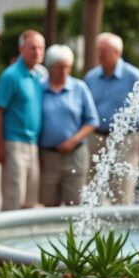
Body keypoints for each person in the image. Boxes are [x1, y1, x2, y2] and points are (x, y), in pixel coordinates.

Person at [84, 32, 139, 204]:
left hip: (126, 140)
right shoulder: (91, 77)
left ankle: (122, 229)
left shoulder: (134, 77)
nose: (99, 54)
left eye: (103, 50)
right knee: (92, 188)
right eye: (97, 50)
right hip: (96, 138)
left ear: (117, 53)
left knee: (122, 189)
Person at [39, 45, 98, 207]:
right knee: (50, 203)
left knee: (75, 202)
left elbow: (92, 120)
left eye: (67, 67)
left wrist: (73, 140)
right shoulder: (40, 89)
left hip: (75, 154)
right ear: (50, 68)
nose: (64, 71)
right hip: (48, 156)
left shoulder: (79, 88)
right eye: (59, 67)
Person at [0, 30, 46, 211]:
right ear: (21, 49)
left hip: (34, 144)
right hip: (14, 142)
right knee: (13, 196)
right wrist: (0, 146)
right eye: (32, 48)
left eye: (41, 48)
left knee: (31, 198)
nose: (37, 52)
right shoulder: (11, 76)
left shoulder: (41, 75)